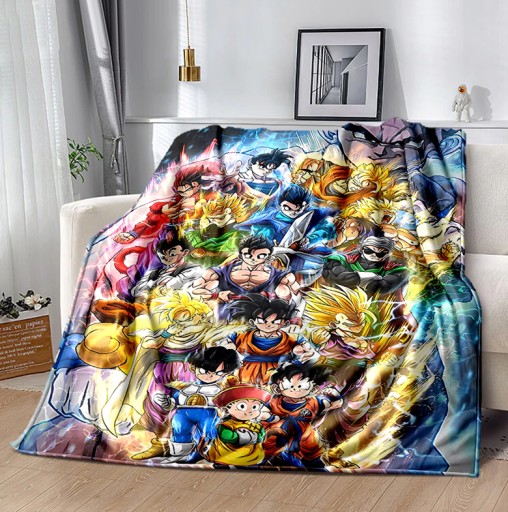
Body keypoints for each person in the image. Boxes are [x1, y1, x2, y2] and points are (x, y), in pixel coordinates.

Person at [131, 346, 241, 462]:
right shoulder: (187, 386)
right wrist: (167, 402)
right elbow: (176, 399)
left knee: (209, 431)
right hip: (184, 413)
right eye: (204, 371)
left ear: (225, 374)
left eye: (218, 373)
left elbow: (226, 403)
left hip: (208, 413)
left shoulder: (219, 389)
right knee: (180, 429)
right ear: (194, 368)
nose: (210, 376)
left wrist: (224, 409)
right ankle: (180, 454)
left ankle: (209, 452)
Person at [192, 235, 301, 321]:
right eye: (248, 255)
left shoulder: (281, 276)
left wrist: (296, 319)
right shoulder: (219, 272)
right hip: (226, 312)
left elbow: (298, 297)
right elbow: (194, 291)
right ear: (241, 255)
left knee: (283, 290)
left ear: (268, 256)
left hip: (262, 317)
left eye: (260, 256)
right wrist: (215, 295)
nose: (253, 259)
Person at [220, 294, 316, 385]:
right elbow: (223, 345)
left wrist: (305, 354)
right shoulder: (240, 336)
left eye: (276, 321)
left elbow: (310, 351)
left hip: (277, 374)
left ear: (285, 323)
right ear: (253, 322)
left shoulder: (292, 338)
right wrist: (229, 350)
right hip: (244, 374)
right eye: (262, 321)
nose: (268, 324)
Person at [262, 362, 342, 468]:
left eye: (301, 386)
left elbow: (336, 404)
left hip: (305, 438)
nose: (295, 389)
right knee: (268, 449)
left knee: (312, 456)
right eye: (290, 385)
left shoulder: (314, 402)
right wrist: (270, 417)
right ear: (278, 385)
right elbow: (263, 412)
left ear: (313, 388)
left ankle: (316, 466)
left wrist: (335, 395)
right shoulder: (275, 401)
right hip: (278, 435)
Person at [208, 383, 271, 466]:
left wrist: (256, 437)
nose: (249, 411)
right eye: (242, 406)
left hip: (254, 458)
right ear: (228, 408)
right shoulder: (226, 425)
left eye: (255, 407)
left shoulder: (257, 426)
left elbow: (261, 437)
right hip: (227, 458)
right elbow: (227, 436)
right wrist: (243, 437)